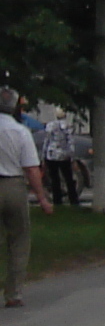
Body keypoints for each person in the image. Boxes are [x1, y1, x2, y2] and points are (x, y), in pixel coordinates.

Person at [0, 88, 49, 306]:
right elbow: (31, 169)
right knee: (19, 238)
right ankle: (14, 293)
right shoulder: (20, 131)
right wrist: (43, 199)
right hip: (13, 186)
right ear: (15, 107)